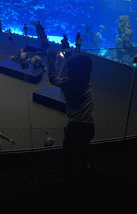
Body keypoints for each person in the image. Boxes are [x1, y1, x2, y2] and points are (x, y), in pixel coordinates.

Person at [47, 51, 95, 184]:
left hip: (74, 126)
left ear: (69, 71)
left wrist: (49, 57)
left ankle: (64, 177)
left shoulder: (68, 83)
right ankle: (86, 166)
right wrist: (69, 57)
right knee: (84, 147)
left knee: (68, 154)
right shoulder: (87, 80)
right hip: (90, 126)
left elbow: (52, 78)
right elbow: (82, 67)